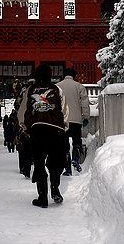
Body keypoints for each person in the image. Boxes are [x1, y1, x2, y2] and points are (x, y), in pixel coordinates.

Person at [18, 63, 68, 208]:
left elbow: (23, 112)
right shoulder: (56, 89)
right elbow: (64, 109)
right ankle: (55, 189)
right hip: (55, 130)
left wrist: (25, 128)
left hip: (37, 130)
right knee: (55, 162)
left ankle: (42, 197)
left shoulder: (31, 90)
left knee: (39, 163)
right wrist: (64, 127)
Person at [56, 68, 91, 175]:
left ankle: (67, 169)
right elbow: (84, 103)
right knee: (76, 141)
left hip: (62, 120)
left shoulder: (57, 86)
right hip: (76, 119)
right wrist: (86, 117)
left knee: (64, 144)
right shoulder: (79, 86)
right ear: (74, 76)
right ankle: (75, 158)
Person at [13, 79, 33, 178]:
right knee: (30, 147)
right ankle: (30, 165)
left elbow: (17, 105)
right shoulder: (39, 91)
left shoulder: (23, 92)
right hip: (35, 121)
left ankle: (24, 167)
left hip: (24, 121)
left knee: (24, 148)